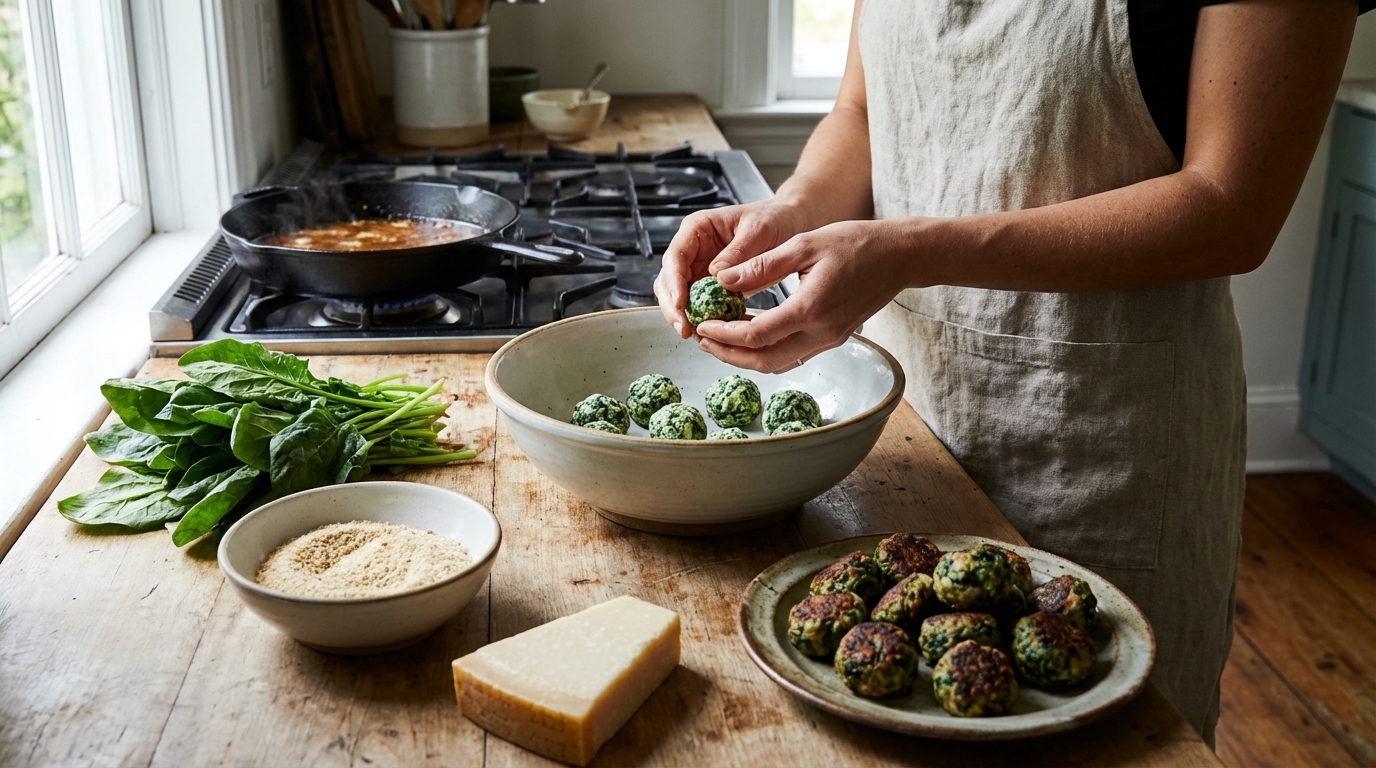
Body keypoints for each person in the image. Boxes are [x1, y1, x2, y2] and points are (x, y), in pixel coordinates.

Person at [656, 0, 1368, 743]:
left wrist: (911, 252)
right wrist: (790, 211)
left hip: (1098, 450)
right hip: (903, 439)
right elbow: (864, 114)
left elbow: (1233, 206)